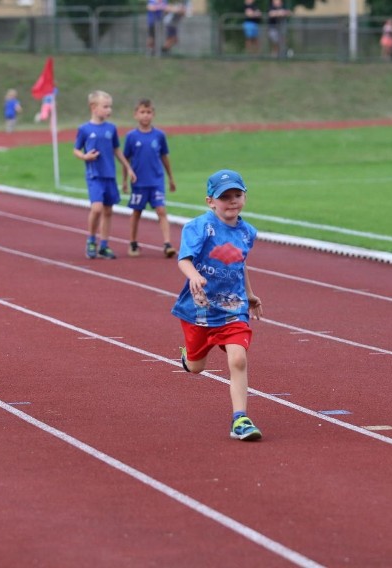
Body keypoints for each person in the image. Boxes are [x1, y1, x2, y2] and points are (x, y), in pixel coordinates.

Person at [172, 169, 264, 442]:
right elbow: (183, 259)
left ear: (245, 197)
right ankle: (188, 356)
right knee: (197, 367)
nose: (232, 201)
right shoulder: (198, 227)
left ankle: (241, 419)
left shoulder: (248, 232)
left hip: (233, 307)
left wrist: (249, 295)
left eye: (237, 195)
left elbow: (239, 264)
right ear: (210, 201)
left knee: (237, 358)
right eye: (225, 197)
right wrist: (194, 276)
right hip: (199, 308)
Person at [73, 90, 136, 259]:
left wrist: (128, 168)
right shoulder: (84, 129)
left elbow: (117, 150)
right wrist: (85, 156)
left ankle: (104, 244)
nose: (109, 110)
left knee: (108, 211)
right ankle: (91, 240)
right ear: (93, 107)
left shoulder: (111, 128)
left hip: (110, 175)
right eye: (105, 106)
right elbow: (76, 150)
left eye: (110, 107)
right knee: (97, 208)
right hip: (94, 176)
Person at [121, 98, 176, 258]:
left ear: (153, 114)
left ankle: (167, 244)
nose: (145, 116)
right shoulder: (131, 136)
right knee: (137, 212)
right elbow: (126, 160)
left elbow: (165, 157)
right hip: (138, 182)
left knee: (161, 210)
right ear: (136, 115)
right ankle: (132, 242)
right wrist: (124, 181)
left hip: (156, 181)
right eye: (142, 112)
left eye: (149, 112)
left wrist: (171, 178)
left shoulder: (159, 135)